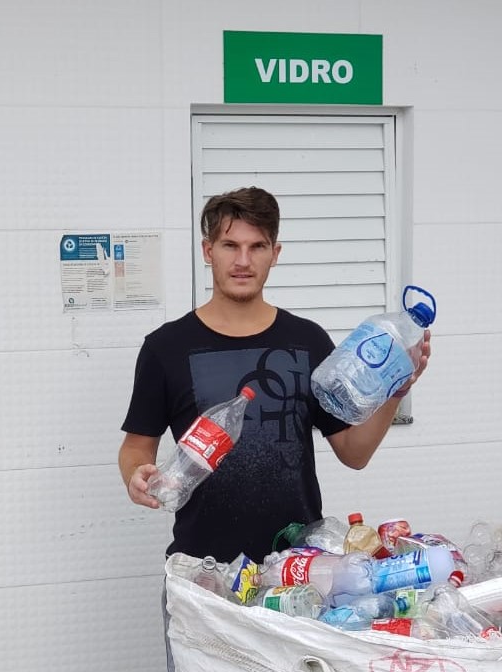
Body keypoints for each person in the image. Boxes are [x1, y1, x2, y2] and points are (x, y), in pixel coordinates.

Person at [117, 186, 431, 670]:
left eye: (257, 246)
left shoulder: (306, 341)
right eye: (230, 245)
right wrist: (138, 473)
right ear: (208, 252)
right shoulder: (166, 348)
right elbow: (136, 447)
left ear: (275, 254)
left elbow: (355, 452)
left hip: (298, 578)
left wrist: (394, 390)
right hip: (205, 579)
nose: (243, 260)